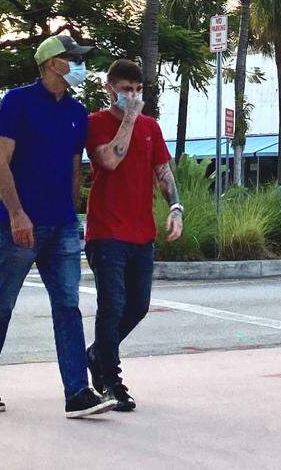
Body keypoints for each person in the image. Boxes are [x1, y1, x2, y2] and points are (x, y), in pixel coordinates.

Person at [0, 33, 115, 418]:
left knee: (68, 305)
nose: (80, 64)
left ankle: (77, 393)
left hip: (62, 225)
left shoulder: (76, 111)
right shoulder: (17, 102)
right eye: (73, 58)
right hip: (21, 224)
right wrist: (16, 214)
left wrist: (72, 211)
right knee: (3, 302)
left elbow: (73, 165)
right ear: (52, 63)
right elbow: (0, 162)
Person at [84, 59, 183, 412]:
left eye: (138, 90)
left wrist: (175, 207)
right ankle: (110, 380)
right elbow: (109, 160)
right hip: (106, 231)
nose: (133, 96)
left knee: (137, 306)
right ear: (110, 88)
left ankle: (97, 353)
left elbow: (163, 171)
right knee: (111, 306)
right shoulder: (95, 123)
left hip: (142, 233)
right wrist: (127, 118)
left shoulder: (151, 127)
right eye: (126, 89)